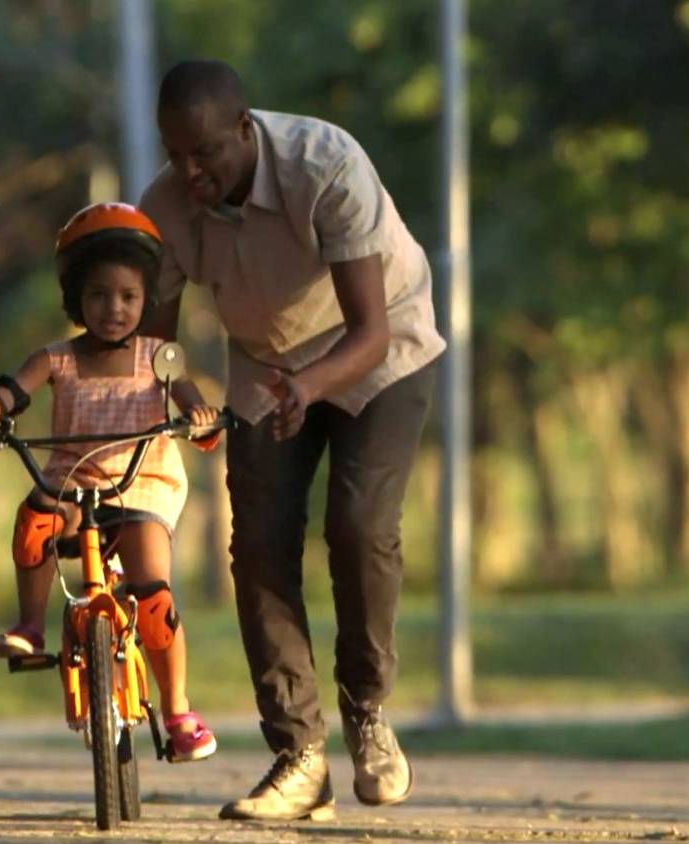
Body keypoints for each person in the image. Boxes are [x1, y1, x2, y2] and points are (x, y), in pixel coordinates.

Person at [139, 60, 447, 819]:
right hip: (267, 362)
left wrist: (309, 391)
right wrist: (182, 389)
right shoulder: (165, 207)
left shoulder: (326, 164)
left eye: (205, 152)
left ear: (244, 130)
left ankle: (368, 715)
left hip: (380, 352)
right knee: (262, 546)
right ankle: (299, 756)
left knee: (359, 525)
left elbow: (370, 331)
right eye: (176, 154)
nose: (191, 171)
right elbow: (159, 340)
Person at [0, 202, 220, 763]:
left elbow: (191, 399)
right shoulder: (55, 359)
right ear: (76, 298)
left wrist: (200, 420)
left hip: (140, 484)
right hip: (72, 484)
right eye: (98, 295)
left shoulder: (161, 356)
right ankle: (30, 624)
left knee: (153, 593)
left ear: (147, 297)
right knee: (34, 521)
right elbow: (9, 392)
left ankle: (177, 711)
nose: (114, 309)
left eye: (128, 296)